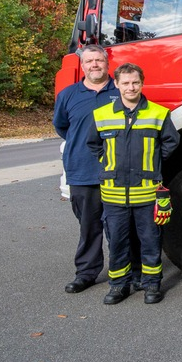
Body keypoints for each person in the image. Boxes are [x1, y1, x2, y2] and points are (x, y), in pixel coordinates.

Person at [85, 63, 179, 304]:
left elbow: (170, 143)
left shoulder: (158, 113)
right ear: (116, 84)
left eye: (135, 82)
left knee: (150, 241)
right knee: (117, 242)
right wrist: (110, 164)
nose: (131, 87)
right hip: (114, 193)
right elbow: (94, 144)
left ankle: (151, 285)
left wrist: (152, 162)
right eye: (125, 83)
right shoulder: (101, 114)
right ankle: (118, 285)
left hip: (147, 193)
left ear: (142, 83)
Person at [53, 43, 122, 293]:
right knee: (89, 227)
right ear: (83, 66)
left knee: (119, 227)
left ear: (107, 63)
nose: (95, 64)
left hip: (117, 172)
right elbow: (62, 127)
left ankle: (123, 272)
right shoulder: (69, 95)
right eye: (90, 61)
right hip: (82, 171)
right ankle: (86, 273)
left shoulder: (122, 90)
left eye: (99, 60)